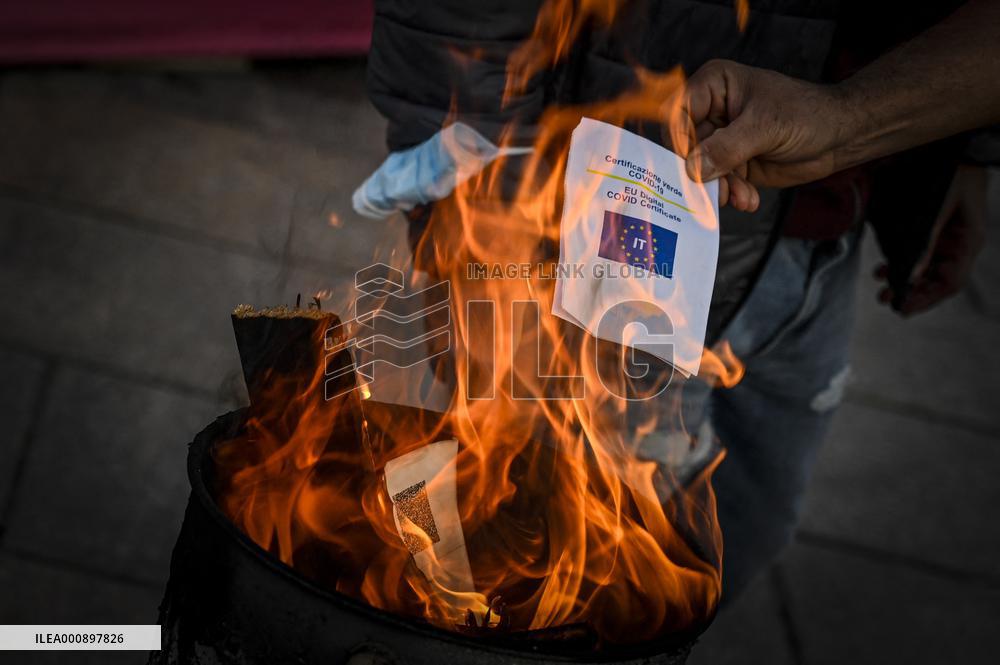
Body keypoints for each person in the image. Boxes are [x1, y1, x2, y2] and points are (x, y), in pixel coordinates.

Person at [361, 0, 998, 600]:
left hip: (829, 237)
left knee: (740, 539)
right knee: (561, 569)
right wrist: (481, 203)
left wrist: (965, 148)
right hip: (596, 253)